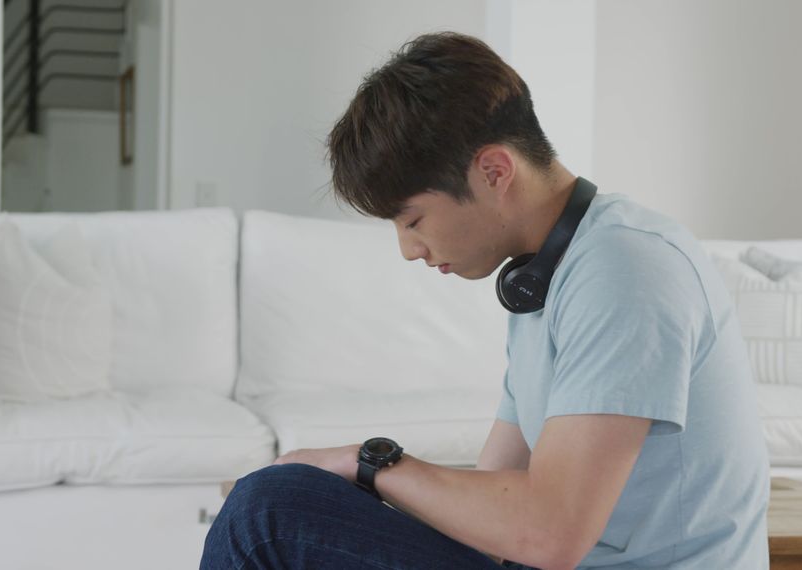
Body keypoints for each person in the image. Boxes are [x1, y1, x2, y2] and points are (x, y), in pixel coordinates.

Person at [201, 31, 769, 569]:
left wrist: (367, 462)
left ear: (494, 171)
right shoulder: (545, 278)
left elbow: (549, 531)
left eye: (412, 219)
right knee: (289, 500)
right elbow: (497, 502)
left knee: (267, 514)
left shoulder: (625, 268)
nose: (408, 249)